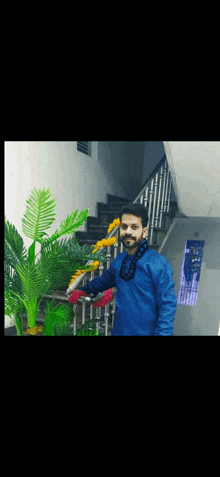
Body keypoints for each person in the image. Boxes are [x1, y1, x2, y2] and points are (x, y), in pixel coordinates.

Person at [68, 203, 177, 336]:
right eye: (124, 227)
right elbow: (103, 281)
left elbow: (167, 304)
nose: (128, 232)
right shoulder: (119, 261)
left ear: (144, 232)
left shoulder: (158, 263)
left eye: (134, 227)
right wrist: (83, 290)